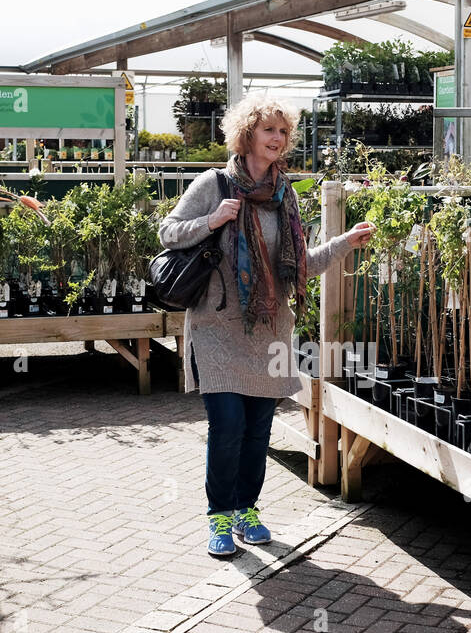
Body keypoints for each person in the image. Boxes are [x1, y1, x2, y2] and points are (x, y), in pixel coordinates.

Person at [158, 94, 374, 557]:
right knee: (228, 425)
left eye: (283, 131)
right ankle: (219, 516)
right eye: (268, 130)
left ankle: (246, 509)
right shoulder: (215, 184)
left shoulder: (284, 195)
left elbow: (299, 266)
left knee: (258, 429)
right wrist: (213, 220)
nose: (277, 138)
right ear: (247, 134)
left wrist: (345, 242)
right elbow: (168, 233)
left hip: (270, 328)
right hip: (218, 327)